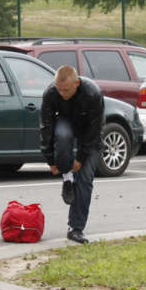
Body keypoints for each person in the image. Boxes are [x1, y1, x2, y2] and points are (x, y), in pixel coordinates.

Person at [39, 65, 106, 245]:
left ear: (77, 83)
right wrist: (51, 160)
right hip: (66, 123)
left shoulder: (93, 94)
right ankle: (67, 178)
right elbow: (46, 126)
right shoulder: (51, 93)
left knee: (85, 179)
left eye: (67, 90)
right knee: (62, 134)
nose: (62, 93)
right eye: (59, 89)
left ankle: (75, 228)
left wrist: (81, 158)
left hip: (89, 132)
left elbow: (94, 129)